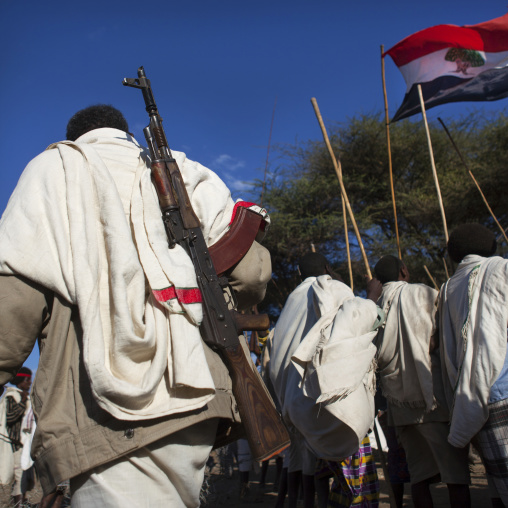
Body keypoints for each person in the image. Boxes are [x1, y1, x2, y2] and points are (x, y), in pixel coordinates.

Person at [0, 104, 272, 507]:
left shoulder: (51, 169)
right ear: (124, 132)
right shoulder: (186, 171)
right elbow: (252, 272)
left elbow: (15, 307)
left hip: (103, 408)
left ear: (74, 136)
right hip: (200, 398)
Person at [269, 252, 384, 508]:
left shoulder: (291, 302)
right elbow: (356, 319)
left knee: (321, 473)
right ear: (327, 269)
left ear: (299, 275)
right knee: (357, 482)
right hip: (331, 406)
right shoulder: (331, 287)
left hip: (298, 410)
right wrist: (372, 298)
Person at [374, 254, 471, 508]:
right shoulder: (422, 293)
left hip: (398, 404)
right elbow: (440, 335)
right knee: (456, 476)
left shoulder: (374, 304)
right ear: (404, 271)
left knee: (420, 476)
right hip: (432, 399)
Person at [439, 223, 508, 508]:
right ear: (491, 246)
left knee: (499, 484)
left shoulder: (448, 286)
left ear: (454, 255)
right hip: (501, 388)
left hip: (476, 398)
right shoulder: (500, 268)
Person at [0, 367, 32, 506]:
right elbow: (11, 417)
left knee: (21, 478)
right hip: (13, 444)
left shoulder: (24, 395)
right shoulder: (12, 396)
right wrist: (23, 401)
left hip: (23, 444)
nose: (29, 382)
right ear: (20, 381)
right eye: (27, 380)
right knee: (19, 477)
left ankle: (16, 503)